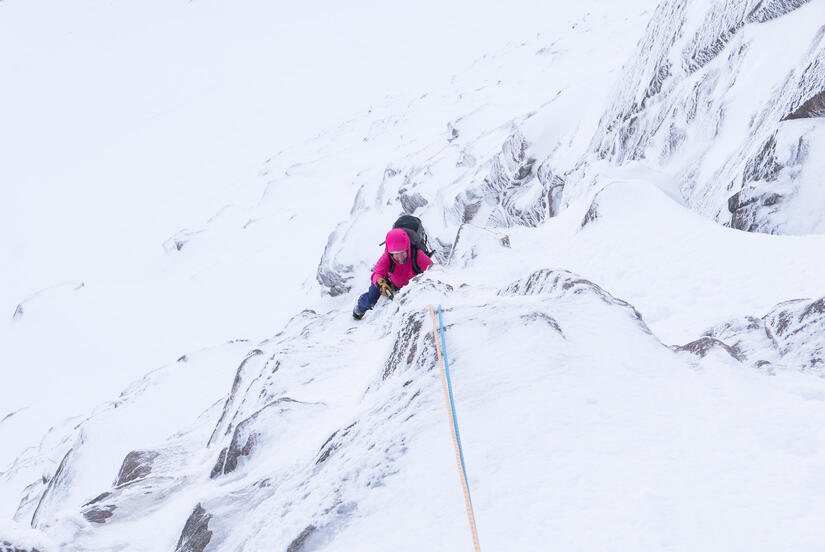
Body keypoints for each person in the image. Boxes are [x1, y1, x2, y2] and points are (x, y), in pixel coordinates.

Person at [353, 227, 434, 320]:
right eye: (395, 253)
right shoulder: (387, 256)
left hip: (413, 285)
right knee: (372, 296)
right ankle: (360, 308)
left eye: (402, 252)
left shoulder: (418, 255)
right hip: (390, 282)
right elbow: (377, 273)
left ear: (407, 248)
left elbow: (433, 271)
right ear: (390, 252)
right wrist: (380, 283)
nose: (399, 257)